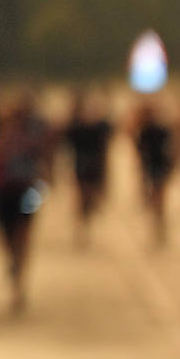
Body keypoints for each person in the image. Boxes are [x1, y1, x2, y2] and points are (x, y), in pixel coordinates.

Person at [0, 96, 51, 315]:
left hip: (24, 192)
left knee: (23, 235)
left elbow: (41, 166)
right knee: (9, 238)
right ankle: (14, 265)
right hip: (5, 195)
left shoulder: (28, 142)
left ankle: (19, 281)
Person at [63, 91, 113, 249]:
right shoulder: (77, 128)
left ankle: (85, 223)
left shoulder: (100, 128)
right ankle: (82, 228)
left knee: (90, 197)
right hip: (82, 165)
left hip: (96, 166)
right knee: (82, 196)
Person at [131, 102, 175, 248]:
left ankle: (160, 227)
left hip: (158, 167)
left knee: (158, 198)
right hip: (151, 167)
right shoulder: (145, 131)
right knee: (155, 199)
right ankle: (158, 226)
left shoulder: (158, 130)